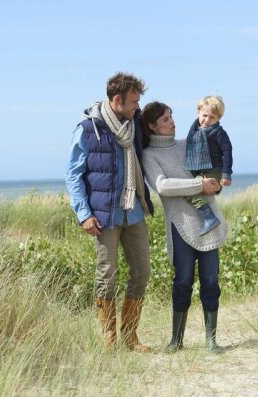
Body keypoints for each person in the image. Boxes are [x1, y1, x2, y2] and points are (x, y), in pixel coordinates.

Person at [65, 72, 155, 352]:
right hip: (104, 217)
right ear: (117, 100)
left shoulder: (135, 125)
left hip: (135, 212)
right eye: (133, 102)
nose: (137, 107)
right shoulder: (87, 129)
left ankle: (130, 336)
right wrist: (84, 214)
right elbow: (73, 175)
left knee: (142, 272)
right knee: (107, 276)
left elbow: (160, 136)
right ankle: (110, 339)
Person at [141, 101, 229, 353]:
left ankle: (211, 340)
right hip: (181, 226)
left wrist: (216, 182)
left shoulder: (187, 143)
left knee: (211, 281)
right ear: (152, 126)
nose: (172, 122)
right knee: (182, 282)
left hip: (208, 223)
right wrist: (198, 185)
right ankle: (176, 340)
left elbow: (212, 165)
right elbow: (163, 186)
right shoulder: (149, 155)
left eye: (172, 117)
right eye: (166, 119)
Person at [184, 95, 233, 236]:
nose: (207, 120)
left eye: (212, 117)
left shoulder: (219, 133)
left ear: (219, 118)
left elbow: (227, 152)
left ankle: (209, 218)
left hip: (214, 169)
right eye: (204, 115)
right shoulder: (194, 131)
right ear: (198, 112)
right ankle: (207, 218)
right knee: (189, 190)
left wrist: (226, 175)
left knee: (191, 191)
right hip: (198, 170)